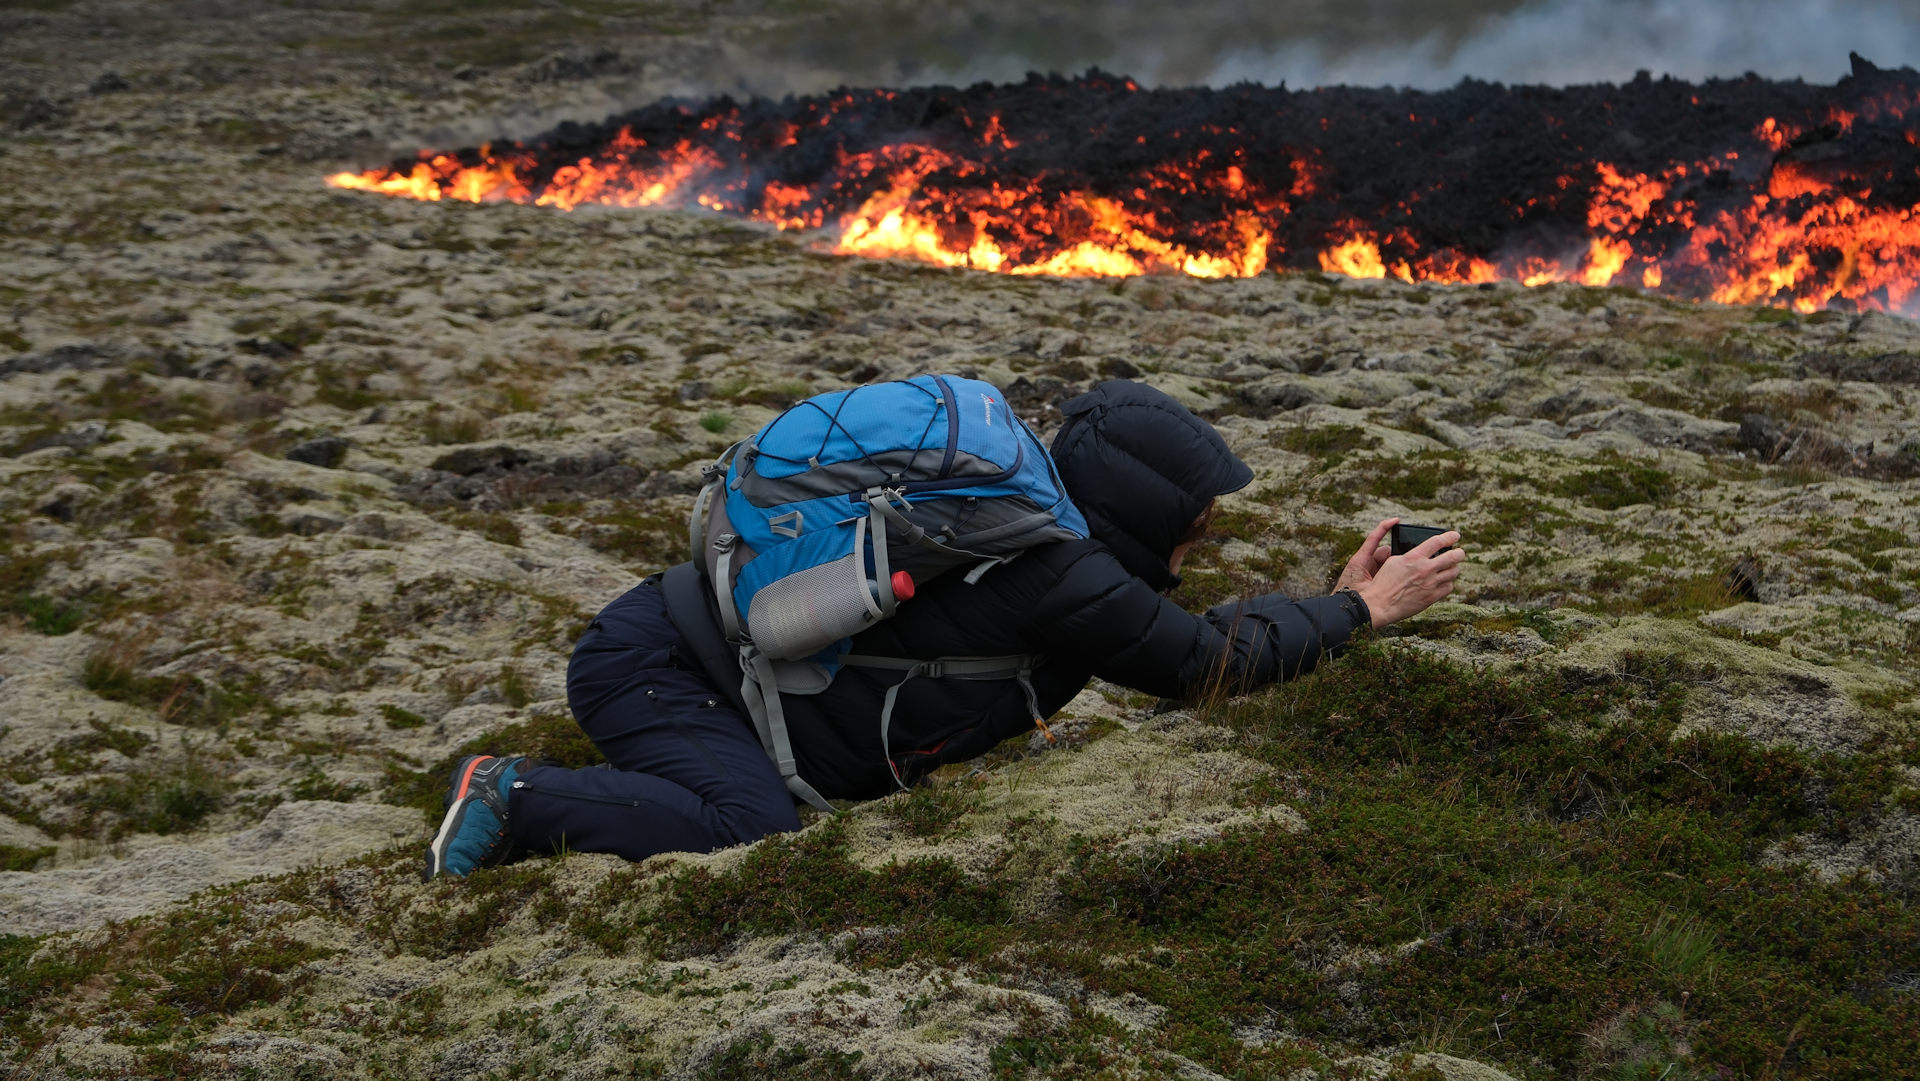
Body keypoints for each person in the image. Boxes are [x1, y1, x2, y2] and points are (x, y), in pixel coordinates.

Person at [424, 380, 1464, 879]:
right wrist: (1364, 611)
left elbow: (1168, 636)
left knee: (755, 819)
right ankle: (513, 796)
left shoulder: (1056, 554)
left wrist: (1333, 601)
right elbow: (1199, 664)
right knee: (751, 837)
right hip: (661, 673)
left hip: (691, 666)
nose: (1206, 532)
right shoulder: (1062, 572)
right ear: (1143, 509)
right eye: (1197, 518)